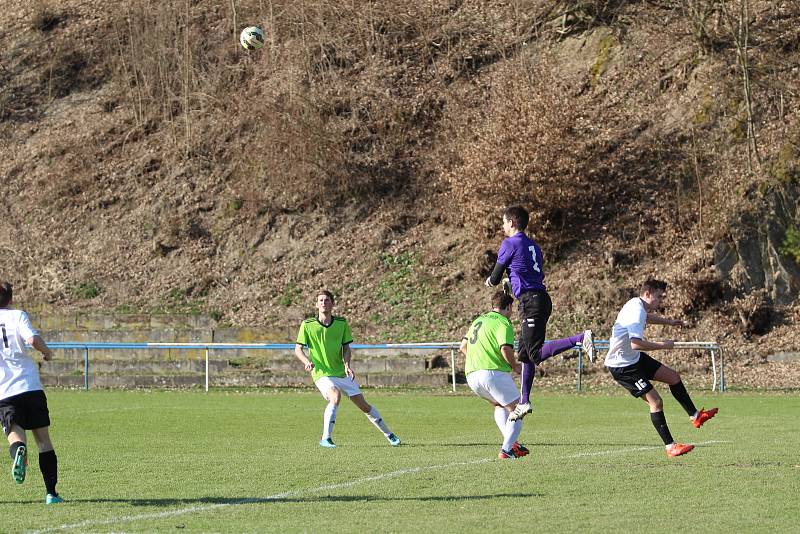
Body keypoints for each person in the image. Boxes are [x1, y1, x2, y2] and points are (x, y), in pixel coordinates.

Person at [606, 279, 718, 457]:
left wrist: (669, 322)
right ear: (648, 293)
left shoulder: (637, 304)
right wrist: (663, 345)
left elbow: (647, 317)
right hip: (623, 367)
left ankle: (695, 416)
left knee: (673, 377)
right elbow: (635, 343)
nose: (660, 300)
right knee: (656, 402)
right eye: (658, 297)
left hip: (634, 359)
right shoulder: (636, 311)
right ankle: (671, 447)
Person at [295, 290, 401, 448]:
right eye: (321, 300)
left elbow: (346, 348)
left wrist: (347, 365)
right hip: (321, 373)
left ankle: (389, 435)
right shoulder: (308, 325)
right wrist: (306, 361)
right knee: (335, 396)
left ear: (333, 303)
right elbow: (298, 349)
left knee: (364, 406)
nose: (324, 303)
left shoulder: (341, 323)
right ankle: (326, 438)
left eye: (327, 300)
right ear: (316, 304)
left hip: (340, 372)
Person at [485, 205, 552, 421]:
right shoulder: (534, 246)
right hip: (536, 298)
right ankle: (524, 401)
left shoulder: (510, 243)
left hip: (531, 301)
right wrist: (511, 282)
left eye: (504, 222)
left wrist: (492, 280)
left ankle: (579, 339)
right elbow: (527, 273)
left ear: (512, 223)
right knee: (524, 356)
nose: (503, 226)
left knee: (534, 353)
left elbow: (494, 277)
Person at [0, 282, 64, 503]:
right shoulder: (17, 316)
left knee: (14, 433)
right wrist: (47, 353)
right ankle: (51, 494)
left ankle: (19, 449)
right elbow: (32, 340)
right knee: (43, 441)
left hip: (4, 391)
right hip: (30, 385)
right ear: (10, 298)